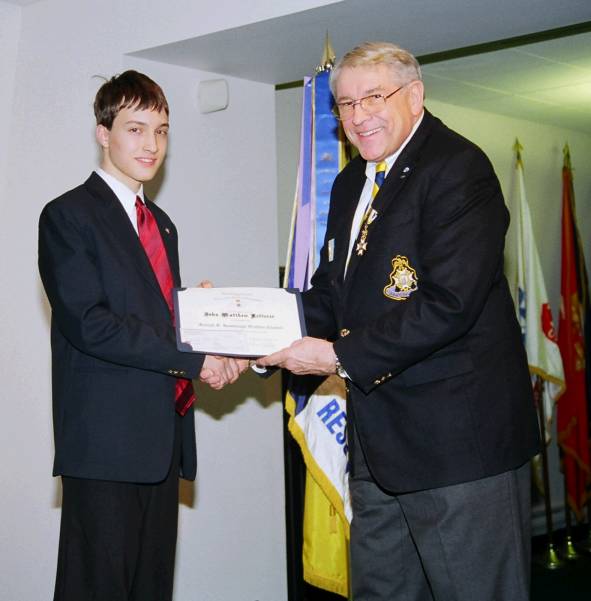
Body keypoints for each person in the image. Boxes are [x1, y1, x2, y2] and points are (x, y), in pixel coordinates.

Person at [259, 42, 540, 600]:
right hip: (378, 451)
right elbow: (330, 298)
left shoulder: (459, 169)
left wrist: (337, 357)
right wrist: (250, 326)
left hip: (458, 452)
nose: (358, 115)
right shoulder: (348, 184)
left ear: (415, 95)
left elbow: (448, 304)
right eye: (345, 104)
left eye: (372, 97)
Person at [38, 70, 244, 601]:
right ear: (103, 133)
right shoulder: (68, 216)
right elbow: (92, 324)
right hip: (105, 445)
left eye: (162, 130)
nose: (151, 144)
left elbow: (153, 319)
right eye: (135, 128)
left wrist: (201, 320)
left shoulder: (162, 223)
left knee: (150, 589)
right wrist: (196, 357)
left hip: (161, 442)